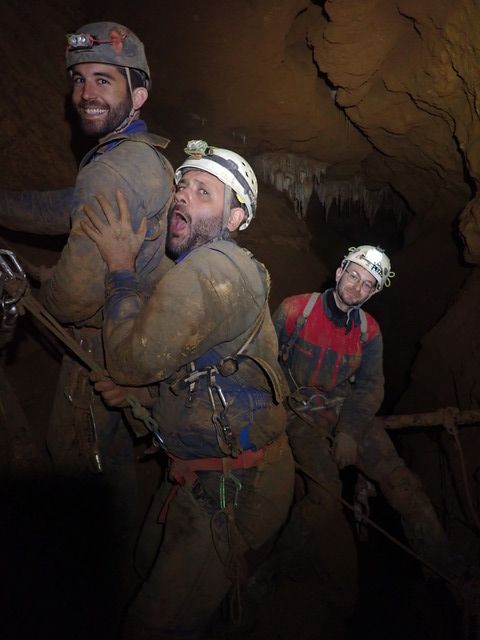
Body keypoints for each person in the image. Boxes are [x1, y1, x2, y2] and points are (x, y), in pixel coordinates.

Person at [0, 21, 174, 638]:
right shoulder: (141, 154)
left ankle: (83, 601)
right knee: (116, 463)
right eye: (78, 80)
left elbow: (74, 300)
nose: (85, 93)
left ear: (138, 92)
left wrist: (40, 281)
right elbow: (68, 206)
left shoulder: (113, 171)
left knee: (77, 470)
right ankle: (121, 563)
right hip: (138, 334)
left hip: (98, 346)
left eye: (104, 80)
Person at [81, 139, 295, 639]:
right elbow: (203, 376)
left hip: (234, 491)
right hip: (201, 472)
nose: (182, 196)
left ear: (236, 217)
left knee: (155, 624)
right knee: (142, 562)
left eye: (204, 192)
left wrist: (119, 266)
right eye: (181, 185)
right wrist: (142, 399)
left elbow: (133, 360)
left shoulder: (216, 266)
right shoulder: (210, 269)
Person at [272, 245, 458, 611]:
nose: (356, 287)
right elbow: (265, 360)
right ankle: (277, 570)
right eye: (354, 275)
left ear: (373, 293)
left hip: (345, 409)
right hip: (299, 413)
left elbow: (371, 386)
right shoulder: (295, 310)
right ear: (340, 272)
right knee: (324, 495)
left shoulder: (369, 332)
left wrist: (349, 432)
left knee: (403, 484)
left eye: (367, 284)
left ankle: (447, 573)